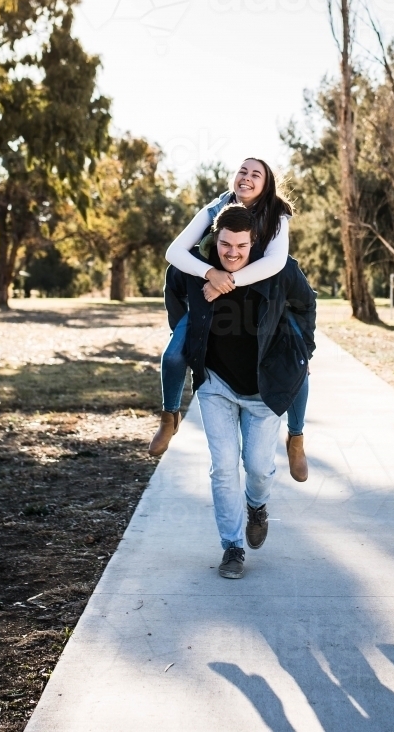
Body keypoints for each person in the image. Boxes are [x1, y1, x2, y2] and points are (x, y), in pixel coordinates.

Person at [164, 203, 316, 578]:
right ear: (216, 240)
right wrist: (192, 339)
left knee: (258, 469)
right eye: (225, 244)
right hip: (217, 384)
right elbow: (174, 291)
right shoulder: (197, 269)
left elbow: (306, 305)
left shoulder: (278, 271)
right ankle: (231, 547)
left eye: (241, 246)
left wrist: (300, 349)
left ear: (254, 244)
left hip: (264, 391)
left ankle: (258, 506)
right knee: (223, 469)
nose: (232, 252)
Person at [149, 157, 309, 482]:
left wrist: (229, 281)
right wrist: (210, 272)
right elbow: (174, 252)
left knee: (297, 362)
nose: (246, 178)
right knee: (175, 353)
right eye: (242, 171)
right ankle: (169, 416)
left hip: (267, 302)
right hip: (212, 303)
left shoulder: (276, 215)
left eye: (256, 174)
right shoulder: (215, 208)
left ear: (267, 184)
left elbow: (276, 262)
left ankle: (296, 437)